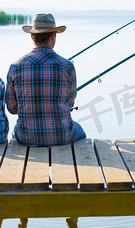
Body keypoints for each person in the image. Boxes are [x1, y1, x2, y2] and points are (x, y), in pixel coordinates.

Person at [6, 13, 86, 147]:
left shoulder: (15, 67)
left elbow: (12, 108)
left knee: (15, 132)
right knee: (80, 131)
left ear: (32, 36)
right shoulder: (67, 66)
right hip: (62, 136)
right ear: (53, 36)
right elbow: (70, 103)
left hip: (26, 137)